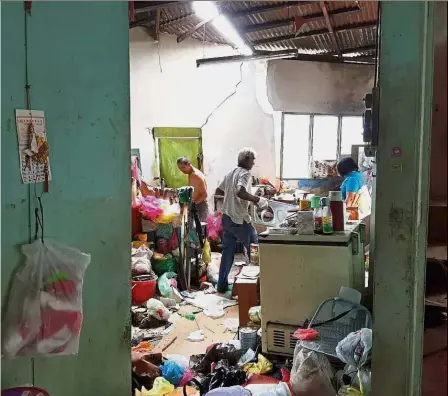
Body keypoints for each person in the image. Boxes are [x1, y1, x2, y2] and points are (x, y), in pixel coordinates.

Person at [214, 148, 268, 294]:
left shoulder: (230, 173)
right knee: (254, 249)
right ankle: (259, 287)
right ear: (247, 159)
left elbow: (218, 192)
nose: (254, 163)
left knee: (227, 252)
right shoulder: (245, 173)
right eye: (253, 160)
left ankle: (222, 286)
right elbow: (240, 191)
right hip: (239, 219)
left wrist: (230, 200)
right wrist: (257, 199)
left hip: (227, 217)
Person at [177, 157, 209, 222]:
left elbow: (204, 195)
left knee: (198, 231)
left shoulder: (196, 175)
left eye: (183, 167)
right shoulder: (191, 174)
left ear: (188, 164)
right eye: (180, 169)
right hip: (195, 206)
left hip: (199, 207)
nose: (182, 171)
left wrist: (191, 206)